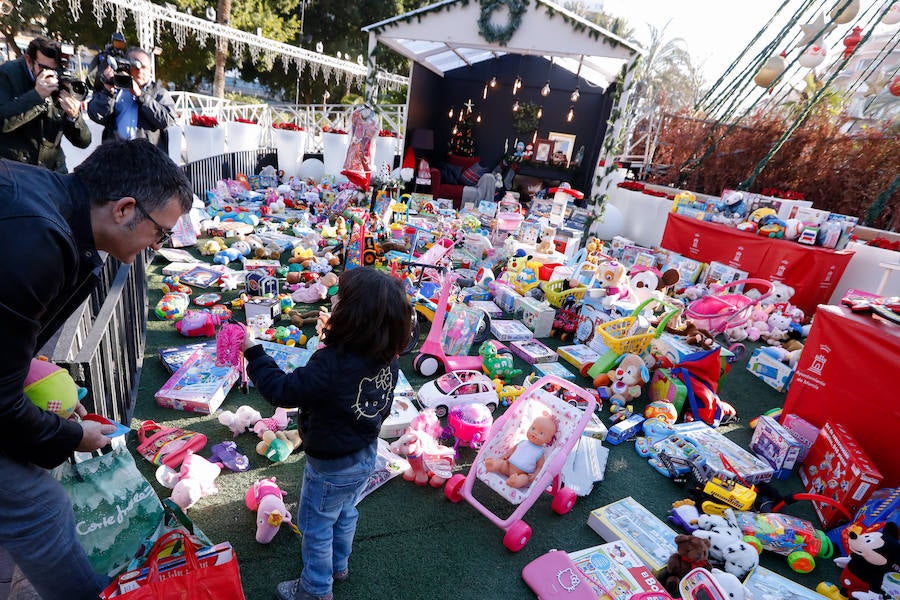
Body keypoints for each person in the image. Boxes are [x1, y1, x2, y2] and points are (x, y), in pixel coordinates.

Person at [0, 138, 193, 599]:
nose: (158, 246)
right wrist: (72, 436)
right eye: (161, 234)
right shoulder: (38, 242)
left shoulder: (45, 202)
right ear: (124, 209)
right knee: (40, 507)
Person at [242, 267, 412, 600]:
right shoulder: (387, 358)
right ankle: (338, 565)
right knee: (346, 511)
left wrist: (253, 351)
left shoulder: (331, 363)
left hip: (331, 465)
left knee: (316, 526)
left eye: (338, 301)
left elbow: (281, 390)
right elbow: (375, 401)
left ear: (352, 318)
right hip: (365, 453)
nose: (332, 303)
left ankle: (316, 589)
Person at [0, 36, 91, 172]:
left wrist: (74, 117)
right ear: (29, 61)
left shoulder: (62, 81)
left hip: (52, 170)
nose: (52, 75)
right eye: (45, 69)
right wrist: (36, 96)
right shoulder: (7, 74)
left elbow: (84, 142)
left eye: (56, 69)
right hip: (15, 171)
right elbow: (2, 121)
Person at [86, 46, 175, 151]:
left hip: (147, 156)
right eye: (135, 66)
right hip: (117, 154)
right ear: (125, 66)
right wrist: (107, 91)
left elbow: (167, 120)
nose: (140, 71)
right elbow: (95, 115)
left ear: (150, 70)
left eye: (144, 67)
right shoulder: (116, 90)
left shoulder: (158, 92)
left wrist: (141, 96)